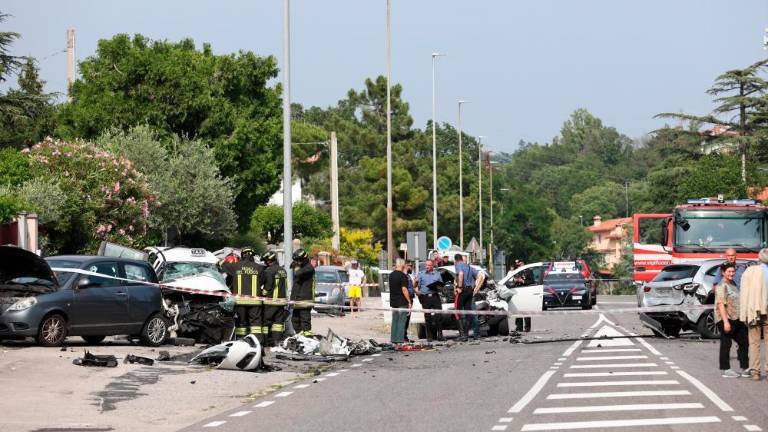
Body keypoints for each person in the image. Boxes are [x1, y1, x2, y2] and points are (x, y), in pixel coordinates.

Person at [715, 262, 750, 378]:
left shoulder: (733, 283)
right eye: (729, 272)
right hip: (726, 318)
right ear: (723, 273)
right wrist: (725, 322)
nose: (731, 274)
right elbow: (720, 305)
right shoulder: (721, 285)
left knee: (744, 341)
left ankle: (745, 367)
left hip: (737, 318)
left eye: (733, 271)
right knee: (726, 343)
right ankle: (726, 369)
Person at [740, 248, 768, 381]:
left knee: (754, 342)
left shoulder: (750, 272)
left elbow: (744, 294)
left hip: (753, 311)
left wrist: (744, 313)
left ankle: (755, 372)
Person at [229, 247, 265, 341]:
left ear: (242, 255)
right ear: (252, 256)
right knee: (256, 324)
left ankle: (241, 341)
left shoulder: (235, 266)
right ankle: (257, 342)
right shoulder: (259, 267)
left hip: (240, 301)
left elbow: (222, 265)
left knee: (241, 323)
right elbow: (262, 281)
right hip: (255, 301)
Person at [260, 251, 288, 346]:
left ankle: (265, 341)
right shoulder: (282, 270)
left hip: (271, 301)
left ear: (269, 260)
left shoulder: (269, 271)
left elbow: (268, 286)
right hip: (281, 301)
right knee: (278, 323)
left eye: (265, 261)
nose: (265, 263)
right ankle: (277, 341)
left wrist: (262, 295)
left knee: (265, 321)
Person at [416, 259, 444, 341]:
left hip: (435, 296)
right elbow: (417, 286)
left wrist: (439, 287)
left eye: (429, 265)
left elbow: (441, 286)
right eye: (426, 265)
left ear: (432, 266)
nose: (427, 267)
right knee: (427, 317)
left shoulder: (437, 274)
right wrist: (418, 292)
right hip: (425, 297)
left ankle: (440, 335)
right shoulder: (421, 274)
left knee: (438, 316)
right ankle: (429, 336)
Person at [290, 249, 316, 337]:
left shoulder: (309, 268)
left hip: (305, 300)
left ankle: (308, 338)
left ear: (304, 259)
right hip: (298, 299)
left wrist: (296, 266)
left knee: (305, 322)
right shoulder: (302, 266)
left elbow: (298, 273)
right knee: (295, 320)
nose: (298, 262)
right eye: (297, 260)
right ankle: (300, 337)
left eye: (299, 260)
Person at [454, 254, 477, 341]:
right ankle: (466, 335)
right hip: (469, 291)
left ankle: (462, 334)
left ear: (456, 260)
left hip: (462, 290)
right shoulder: (469, 267)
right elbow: (478, 277)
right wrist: (473, 287)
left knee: (457, 311)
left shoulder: (458, 265)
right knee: (468, 311)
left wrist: (459, 287)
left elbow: (460, 274)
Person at [389, 258, 411, 345]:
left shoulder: (391, 275)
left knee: (395, 320)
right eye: (405, 265)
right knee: (402, 321)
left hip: (394, 301)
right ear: (402, 265)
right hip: (402, 301)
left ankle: (393, 339)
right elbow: (404, 289)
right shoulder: (403, 276)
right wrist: (409, 301)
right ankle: (400, 340)